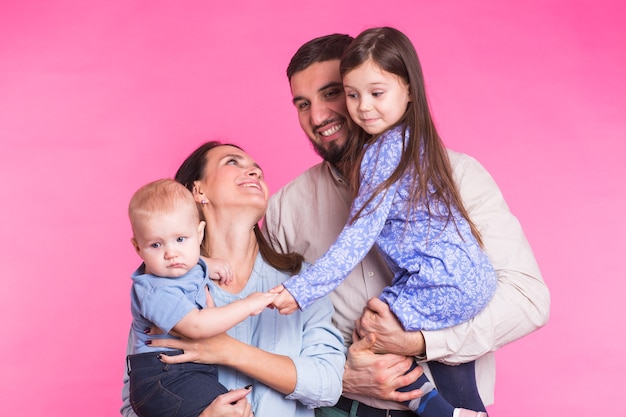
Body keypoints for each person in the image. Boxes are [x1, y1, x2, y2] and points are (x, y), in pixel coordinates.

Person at [263, 31, 550, 416]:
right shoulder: (285, 207)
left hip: (458, 393)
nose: (317, 116)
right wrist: (339, 375)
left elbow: (528, 301)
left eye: (331, 93)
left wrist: (418, 342)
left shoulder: (458, 175)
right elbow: (272, 335)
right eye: (303, 103)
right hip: (347, 406)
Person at [121, 142, 346, 417]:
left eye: (257, 170)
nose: (254, 171)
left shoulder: (302, 283)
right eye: (232, 162)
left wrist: (228, 351)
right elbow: (134, 405)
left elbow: (327, 385)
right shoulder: (163, 283)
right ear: (198, 190)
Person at [126, 178, 278, 417]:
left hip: (184, 372)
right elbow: (196, 326)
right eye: (156, 245)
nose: (171, 254)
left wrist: (209, 263)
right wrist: (247, 305)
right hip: (163, 378)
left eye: (180, 239)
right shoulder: (155, 290)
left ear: (199, 233)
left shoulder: (185, 264)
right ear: (138, 249)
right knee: (233, 411)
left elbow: (191, 260)